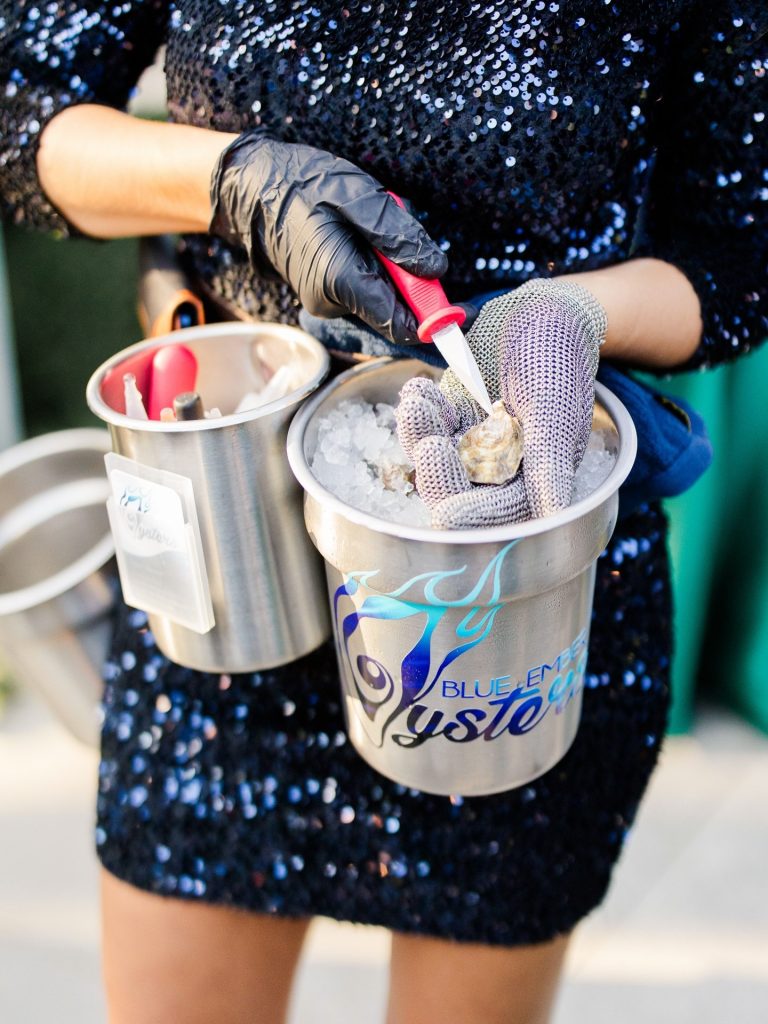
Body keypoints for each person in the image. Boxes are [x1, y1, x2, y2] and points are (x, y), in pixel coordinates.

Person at [1, 3, 765, 1022]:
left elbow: (735, 260)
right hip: (239, 549)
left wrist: (569, 314)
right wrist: (234, 184)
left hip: (518, 603)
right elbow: (23, 112)